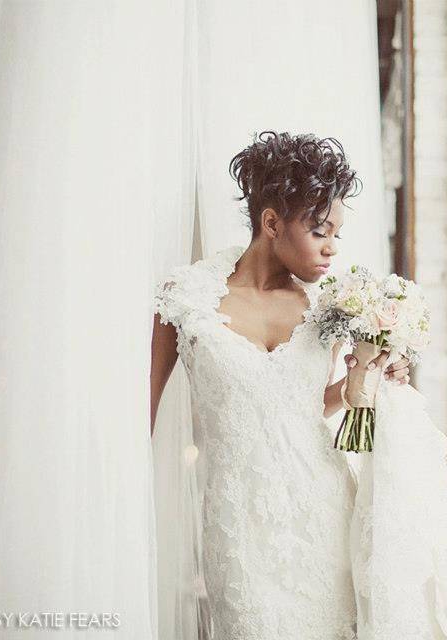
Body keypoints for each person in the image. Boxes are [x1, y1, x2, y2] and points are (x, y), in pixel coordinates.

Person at [150, 131, 411, 639]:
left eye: (337, 231)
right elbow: (145, 415)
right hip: (240, 529)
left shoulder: (329, 305)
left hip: (328, 513)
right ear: (271, 223)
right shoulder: (184, 299)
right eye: (320, 230)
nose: (333, 247)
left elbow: (308, 406)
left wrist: (367, 376)